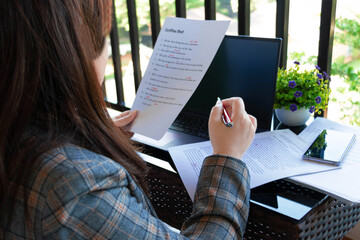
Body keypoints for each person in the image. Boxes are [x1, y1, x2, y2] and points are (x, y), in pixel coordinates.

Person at [0, 0, 257, 239]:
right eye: (101, 36)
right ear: (68, 51)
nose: (107, 51)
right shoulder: (77, 186)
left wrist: (89, 138)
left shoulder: (16, 132)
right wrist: (228, 156)